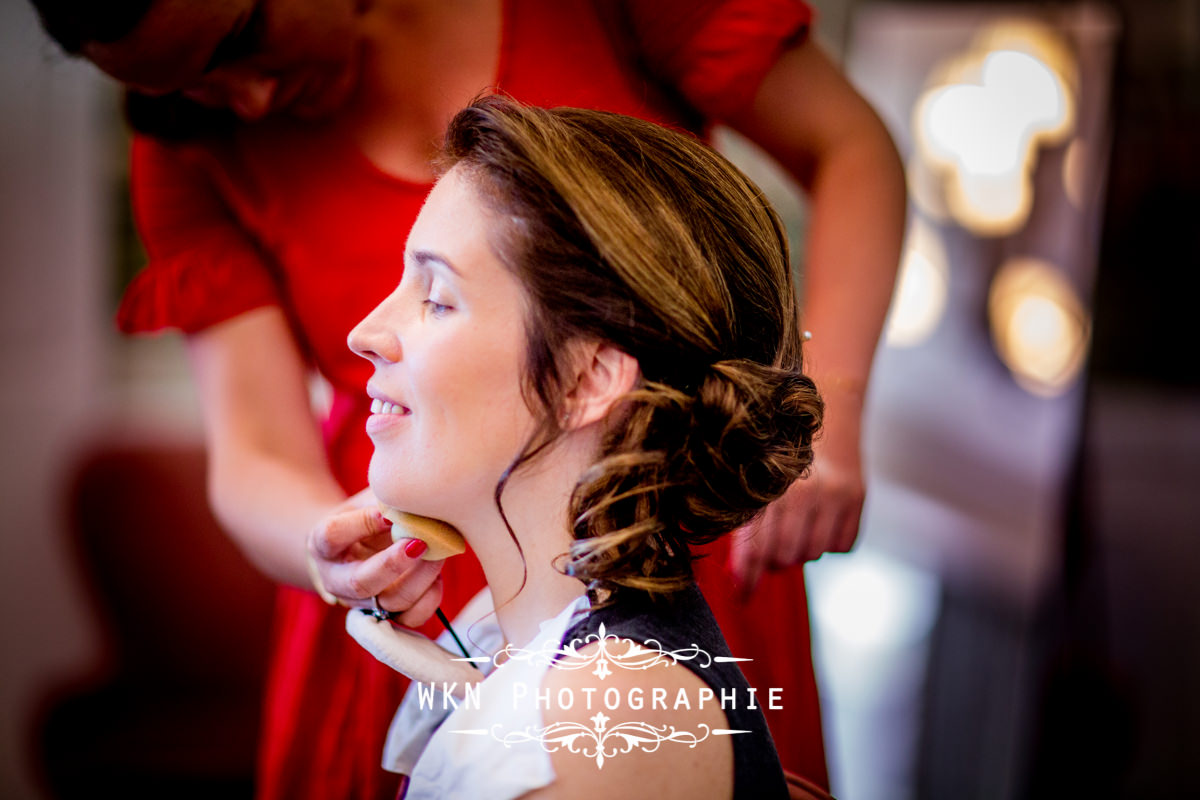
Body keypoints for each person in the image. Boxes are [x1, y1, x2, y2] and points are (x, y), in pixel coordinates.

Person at [31, 0, 905, 796]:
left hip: (648, 526)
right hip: (418, 551)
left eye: (242, 36)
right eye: (188, 89)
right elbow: (254, 446)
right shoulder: (192, 145)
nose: (247, 101)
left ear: (595, 371)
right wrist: (334, 552)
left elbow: (848, 146)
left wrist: (832, 412)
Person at [348, 94, 823, 800]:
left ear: (588, 380)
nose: (364, 332)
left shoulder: (598, 722)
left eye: (437, 298)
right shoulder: (545, 649)